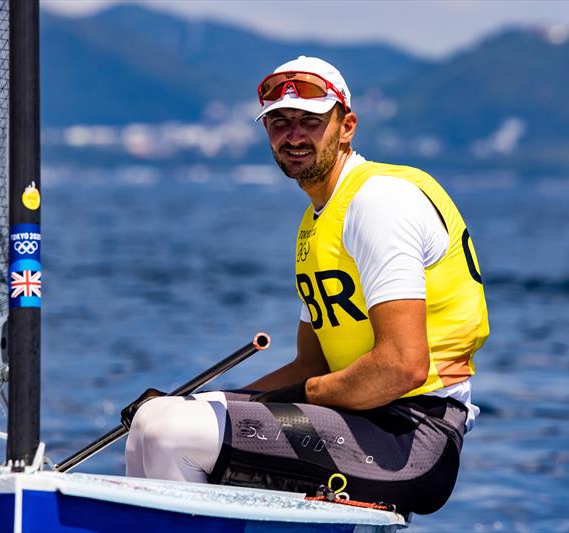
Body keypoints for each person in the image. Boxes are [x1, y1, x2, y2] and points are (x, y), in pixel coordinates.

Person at [123, 56, 489, 516]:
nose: (293, 135)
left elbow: (402, 367)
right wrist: (204, 402)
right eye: (279, 122)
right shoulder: (318, 221)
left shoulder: (377, 202)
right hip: (352, 420)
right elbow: (309, 366)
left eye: (310, 121)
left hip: (411, 437)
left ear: (347, 126)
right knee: (154, 420)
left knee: (168, 433)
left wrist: (283, 400)